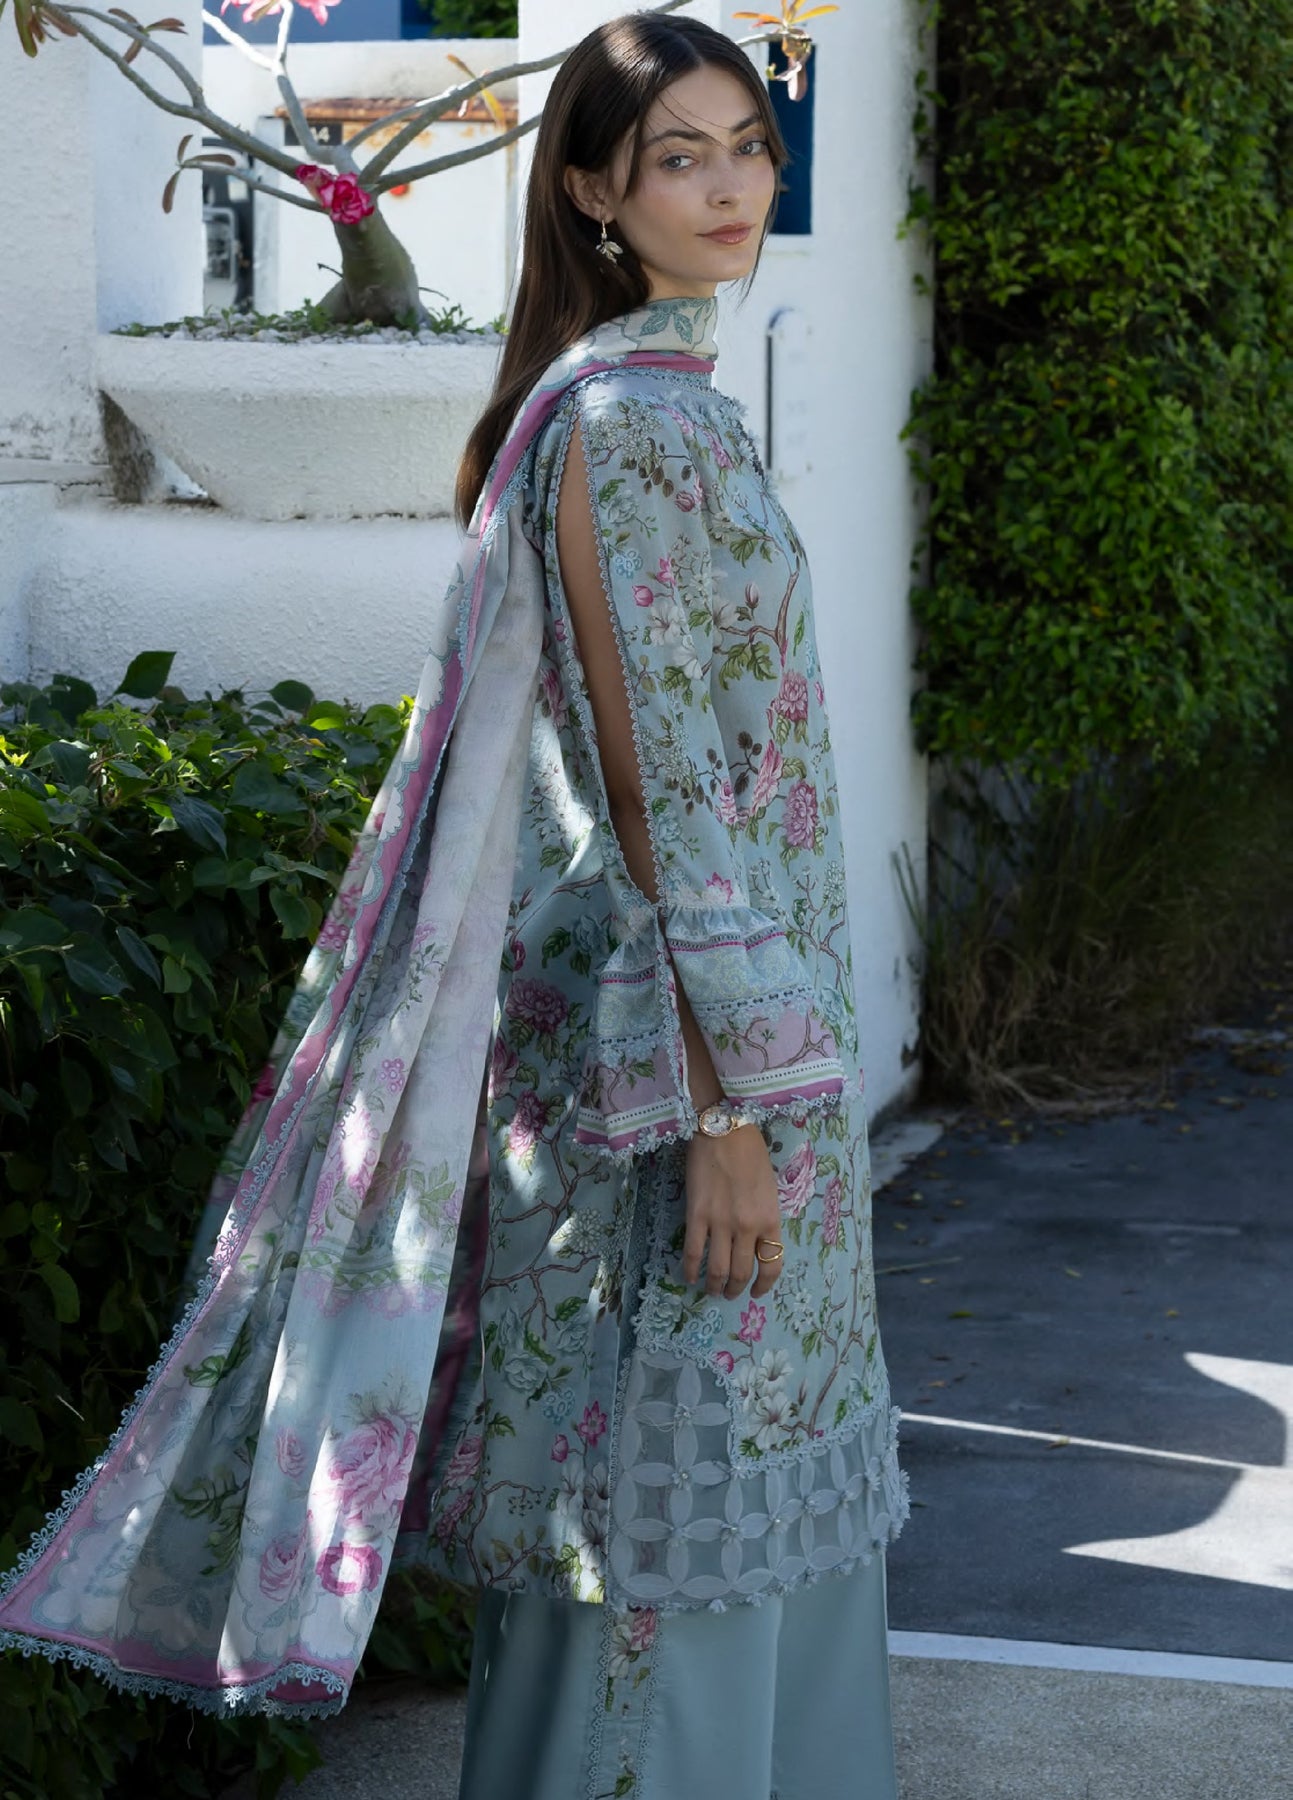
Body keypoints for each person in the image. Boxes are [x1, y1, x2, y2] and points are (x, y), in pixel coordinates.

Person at [0, 13, 907, 1798]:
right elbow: (652, 798)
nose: (730, 185)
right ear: (590, 193)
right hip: (688, 1089)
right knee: (658, 1529)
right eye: (677, 156)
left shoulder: (657, 411)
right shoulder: (627, 434)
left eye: (747, 145)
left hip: (743, 1061)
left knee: (740, 1508)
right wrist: (726, 1111)